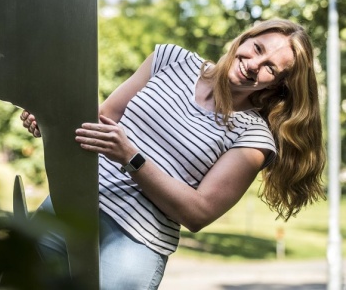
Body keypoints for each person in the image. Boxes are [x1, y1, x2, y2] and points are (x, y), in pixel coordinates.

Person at [20, 18, 326, 289]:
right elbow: (102, 120)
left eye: (271, 68)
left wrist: (132, 157)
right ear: (244, 39)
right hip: (70, 207)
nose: (254, 65)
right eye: (258, 48)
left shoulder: (253, 136)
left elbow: (199, 213)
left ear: (278, 84)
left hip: (135, 243)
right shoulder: (170, 59)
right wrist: (50, 122)